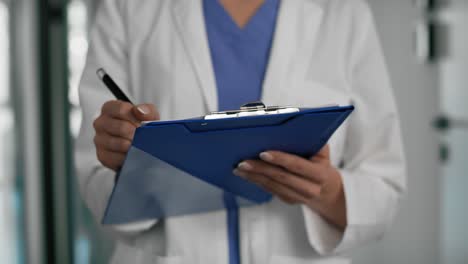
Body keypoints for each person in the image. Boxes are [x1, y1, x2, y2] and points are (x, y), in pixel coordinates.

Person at [75, 0, 406, 263]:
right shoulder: (129, 8)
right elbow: (95, 183)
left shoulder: (345, 13)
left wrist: (328, 192)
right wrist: (129, 166)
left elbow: (384, 185)